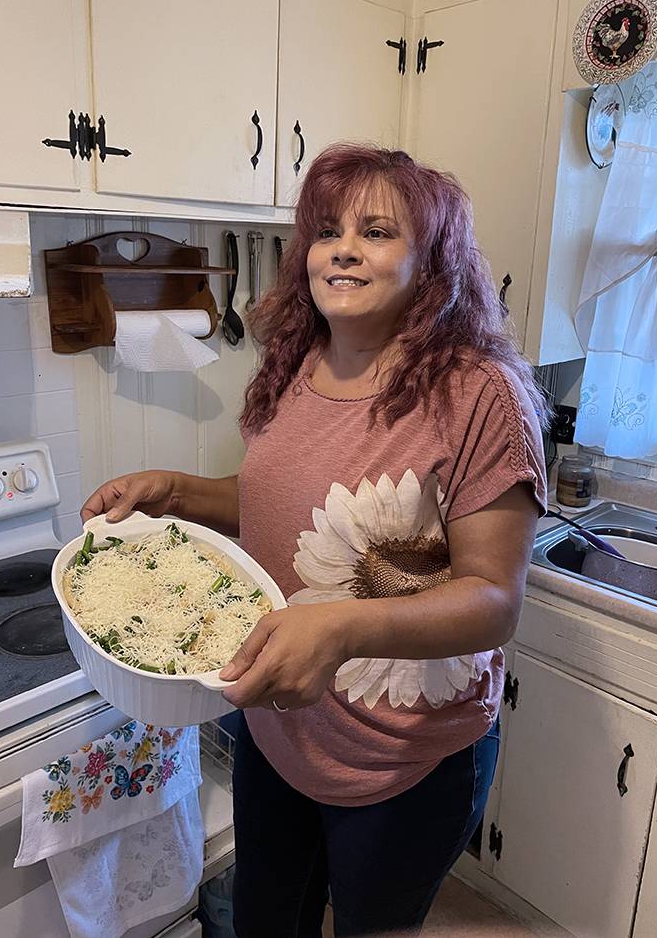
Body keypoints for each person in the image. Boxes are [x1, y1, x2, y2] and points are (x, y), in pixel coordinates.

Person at [82, 144, 548, 937]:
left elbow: (493, 598)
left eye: (376, 231)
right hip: (279, 726)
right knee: (271, 919)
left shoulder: (477, 393)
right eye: (328, 230)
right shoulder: (296, 365)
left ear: (432, 261)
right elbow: (278, 506)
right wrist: (177, 490)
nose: (343, 248)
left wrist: (336, 625)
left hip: (406, 752)